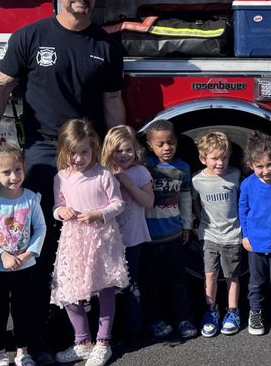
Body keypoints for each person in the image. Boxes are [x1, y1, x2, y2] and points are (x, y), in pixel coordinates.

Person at [0, 0, 125, 363]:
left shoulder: (107, 45)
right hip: (43, 153)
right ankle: (38, 333)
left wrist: (117, 152)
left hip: (87, 155)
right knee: (40, 241)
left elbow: (112, 101)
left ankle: (86, 329)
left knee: (88, 241)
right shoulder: (30, 37)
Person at [50, 119, 128, 366]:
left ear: (94, 148)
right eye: (72, 152)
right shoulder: (61, 177)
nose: (79, 158)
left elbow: (118, 203)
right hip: (74, 241)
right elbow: (56, 205)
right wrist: (61, 211)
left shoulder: (103, 174)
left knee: (104, 289)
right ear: (64, 151)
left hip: (101, 239)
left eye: (84, 151)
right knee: (70, 291)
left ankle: (103, 341)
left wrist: (99, 214)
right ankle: (82, 341)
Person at [0, 138, 47, 366]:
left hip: (25, 267)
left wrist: (28, 254)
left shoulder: (30, 198)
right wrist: (3, 255)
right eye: (6, 172)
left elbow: (40, 229)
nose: (14, 176)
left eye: (18, 169)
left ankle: (23, 353)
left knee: (22, 310)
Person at [141, 119, 197, 341]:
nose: (167, 148)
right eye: (160, 144)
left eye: (171, 142)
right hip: (148, 238)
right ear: (150, 146)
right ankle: (156, 320)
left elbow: (185, 198)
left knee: (178, 281)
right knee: (151, 282)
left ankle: (183, 318)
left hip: (173, 235)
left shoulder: (183, 168)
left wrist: (186, 224)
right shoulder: (145, 169)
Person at [101, 125, 154, 341]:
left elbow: (149, 202)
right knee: (108, 286)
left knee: (131, 283)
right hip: (108, 240)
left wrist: (129, 184)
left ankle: (134, 328)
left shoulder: (140, 172)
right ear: (108, 151)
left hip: (132, 239)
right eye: (118, 151)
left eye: (128, 150)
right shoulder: (102, 173)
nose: (124, 155)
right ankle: (109, 328)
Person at [192, 131, 244, 337]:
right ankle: (211, 311)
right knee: (210, 275)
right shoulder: (197, 180)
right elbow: (194, 201)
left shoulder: (235, 175)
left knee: (232, 276)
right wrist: (198, 218)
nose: (220, 163)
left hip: (232, 235)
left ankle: (232, 312)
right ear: (203, 158)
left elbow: (243, 198)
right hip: (209, 235)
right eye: (214, 158)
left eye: (224, 157)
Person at [238, 131, 271, 336]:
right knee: (256, 283)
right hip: (255, 243)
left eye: (270, 164)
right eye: (260, 166)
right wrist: (245, 235)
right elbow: (243, 210)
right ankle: (255, 313)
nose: (266, 171)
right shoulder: (247, 184)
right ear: (250, 165)